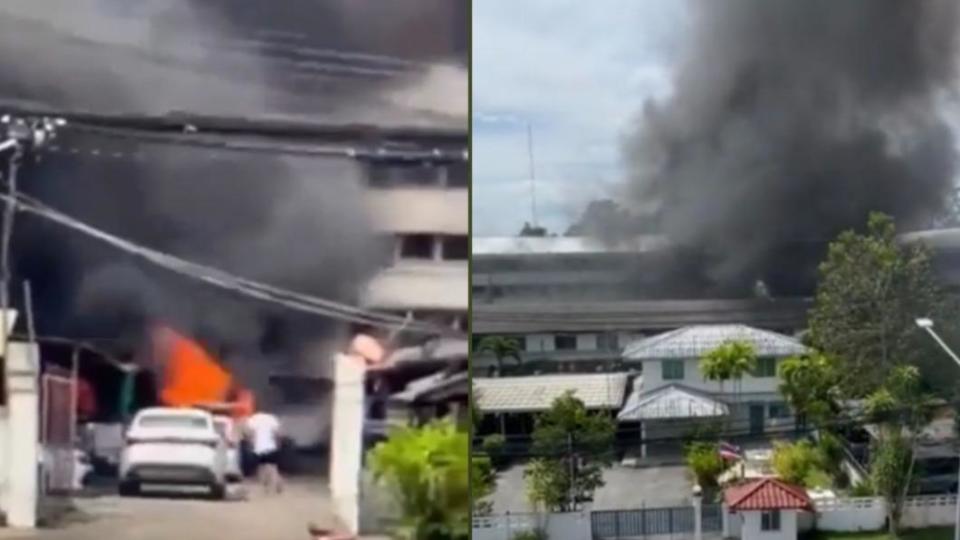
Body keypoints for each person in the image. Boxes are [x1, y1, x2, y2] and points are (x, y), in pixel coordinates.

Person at [244, 410, 283, 494]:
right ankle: (277, 483)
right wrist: (278, 444)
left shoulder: (252, 419)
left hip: (258, 447)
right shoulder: (272, 418)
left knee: (261, 468)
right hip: (271, 446)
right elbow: (277, 433)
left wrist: (250, 444)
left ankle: (266, 488)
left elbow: (250, 433)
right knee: (273, 468)